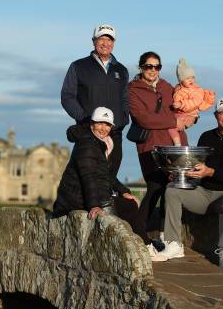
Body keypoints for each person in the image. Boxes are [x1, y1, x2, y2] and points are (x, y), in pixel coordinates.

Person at [154, 97, 223, 267]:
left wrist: (211, 172)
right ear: (216, 115)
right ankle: (174, 244)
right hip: (204, 194)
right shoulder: (206, 137)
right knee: (172, 190)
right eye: (222, 113)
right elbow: (197, 167)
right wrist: (181, 173)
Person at [52, 107, 161, 253]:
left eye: (107, 125)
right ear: (92, 124)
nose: (104, 128)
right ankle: (145, 247)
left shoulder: (99, 142)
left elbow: (105, 174)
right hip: (75, 200)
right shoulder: (88, 144)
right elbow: (88, 177)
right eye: (100, 123)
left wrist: (124, 191)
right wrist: (95, 205)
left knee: (128, 203)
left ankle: (143, 245)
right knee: (128, 207)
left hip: (82, 196)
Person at [128, 52, 195, 233]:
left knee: (174, 189)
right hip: (151, 145)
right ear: (141, 67)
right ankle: (138, 233)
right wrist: (174, 122)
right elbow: (144, 119)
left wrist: (191, 119)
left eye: (157, 66)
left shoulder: (167, 86)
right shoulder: (133, 89)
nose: (153, 70)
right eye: (149, 66)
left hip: (176, 144)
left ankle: (169, 237)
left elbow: (182, 106)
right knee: (155, 186)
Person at [60, 23, 129, 176]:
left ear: (114, 43)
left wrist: (123, 119)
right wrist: (84, 118)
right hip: (89, 132)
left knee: (110, 178)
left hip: (115, 132)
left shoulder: (121, 70)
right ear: (94, 41)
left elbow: (125, 98)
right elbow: (67, 96)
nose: (105, 43)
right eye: (101, 39)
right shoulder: (78, 66)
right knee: (87, 177)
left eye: (109, 39)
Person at [168, 58, 216, 146]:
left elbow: (195, 102)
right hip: (180, 113)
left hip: (189, 115)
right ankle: (177, 143)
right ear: (181, 80)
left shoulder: (196, 90)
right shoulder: (178, 88)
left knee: (171, 126)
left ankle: (177, 144)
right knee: (169, 124)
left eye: (192, 77)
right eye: (187, 78)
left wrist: (181, 104)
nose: (191, 80)